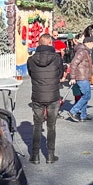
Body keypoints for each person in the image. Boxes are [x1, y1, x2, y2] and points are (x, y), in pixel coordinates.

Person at [27, 33, 64, 164]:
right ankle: (50, 155)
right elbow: (60, 74)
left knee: (37, 126)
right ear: (49, 43)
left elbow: (31, 74)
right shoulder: (57, 58)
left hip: (37, 95)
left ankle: (35, 155)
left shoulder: (31, 59)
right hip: (53, 95)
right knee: (51, 126)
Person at [67, 33, 93, 123]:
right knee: (87, 95)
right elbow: (74, 63)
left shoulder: (84, 51)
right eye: (92, 43)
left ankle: (83, 115)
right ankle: (73, 111)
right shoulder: (82, 51)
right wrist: (72, 77)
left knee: (84, 95)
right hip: (81, 77)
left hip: (84, 76)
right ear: (88, 43)